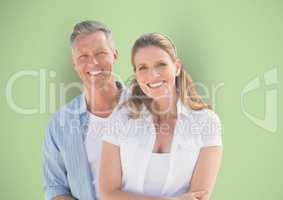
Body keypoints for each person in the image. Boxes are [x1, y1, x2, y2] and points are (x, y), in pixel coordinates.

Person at [99, 33, 223, 200]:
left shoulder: (207, 122)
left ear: (177, 67)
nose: (153, 75)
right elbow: (108, 194)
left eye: (161, 64)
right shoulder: (120, 118)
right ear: (136, 74)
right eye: (143, 67)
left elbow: (199, 197)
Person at [43, 20, 128, 200]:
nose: (93, 62)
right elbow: (55, 187)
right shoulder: (60, 123)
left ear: (115, 55)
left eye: (101, 53)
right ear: (74, 63)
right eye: (83, 56)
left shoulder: (147, 109)